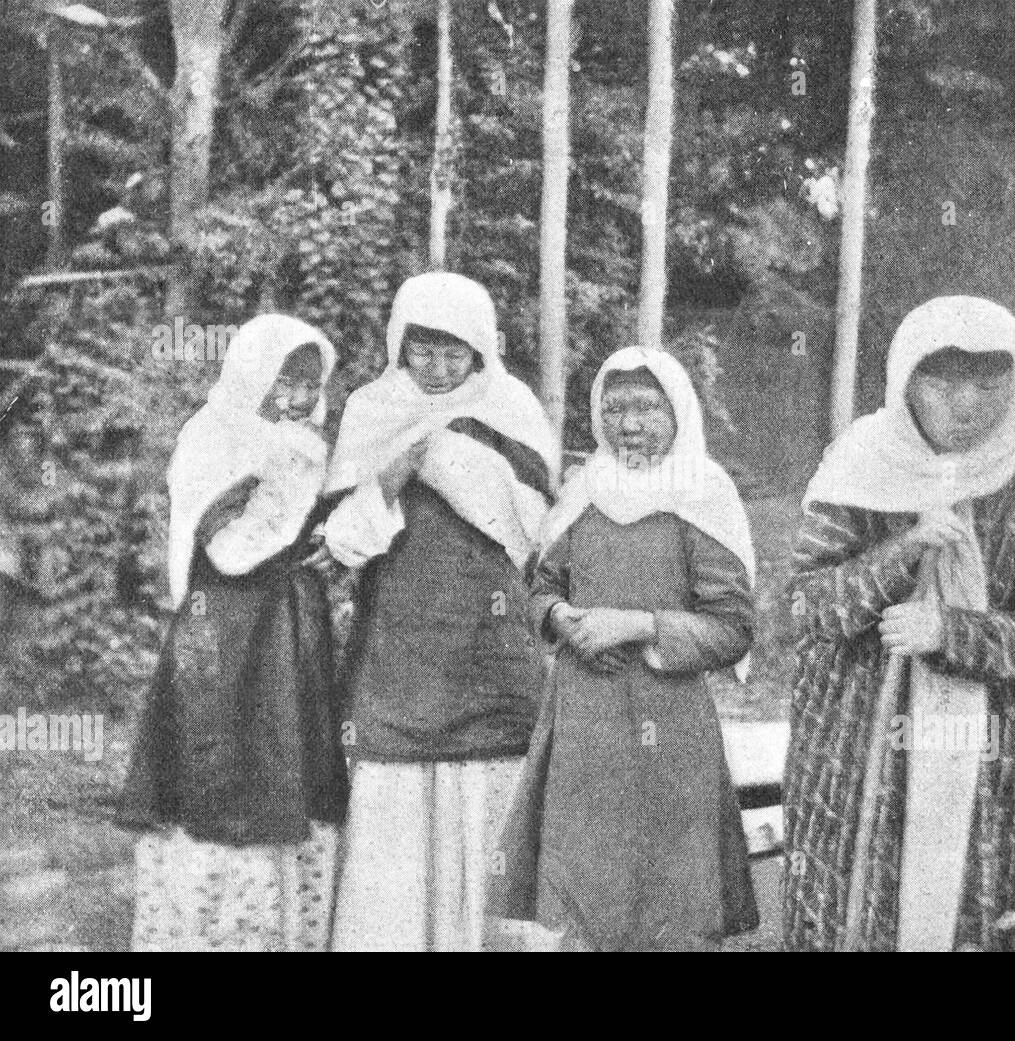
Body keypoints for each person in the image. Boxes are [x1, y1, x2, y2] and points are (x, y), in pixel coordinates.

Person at [783, 296, 1015, 952]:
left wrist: (949, 632)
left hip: (984, 739)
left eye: (987, 383)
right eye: (943, 383)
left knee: (965, 903)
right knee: (856, 901)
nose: (966, 404)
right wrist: (904, 549)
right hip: (858, 734)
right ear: (906, 380)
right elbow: (804, 608)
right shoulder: (863, 458)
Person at [490, 346, 758, 951]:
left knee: (666, 894)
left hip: (666, 724)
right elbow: (542, 584)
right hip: (584, 719)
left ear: (678, 414)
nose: (629, 424)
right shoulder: (586, 490)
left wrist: (636, 624)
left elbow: (734, 626)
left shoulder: (701, 493)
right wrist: (560, 617)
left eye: (646, 408)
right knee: (584, 884)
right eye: (614, 409)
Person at [323, 272, 557, 952]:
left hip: (489, 639)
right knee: (397, 794)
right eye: (422, 351)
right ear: (399, 346)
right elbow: (340, 541)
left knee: (490, 790)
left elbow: (538, 521)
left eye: (457, 353)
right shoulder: (373, 410)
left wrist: (449, 454)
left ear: (483, 351)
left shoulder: (510, 407)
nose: (438, 368)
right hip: (400, 636)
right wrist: (394, 475)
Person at [117, 314, 347, 952]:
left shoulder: (304, 444)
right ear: (252, 373)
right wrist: (299, 486)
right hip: (225, 633)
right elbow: (233, 551)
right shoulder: (216, 435)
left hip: (290, 630)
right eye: (284, 381)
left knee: (290, 768)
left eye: (309, 384)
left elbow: (312, 525)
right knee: (223, 770)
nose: (297, 398)